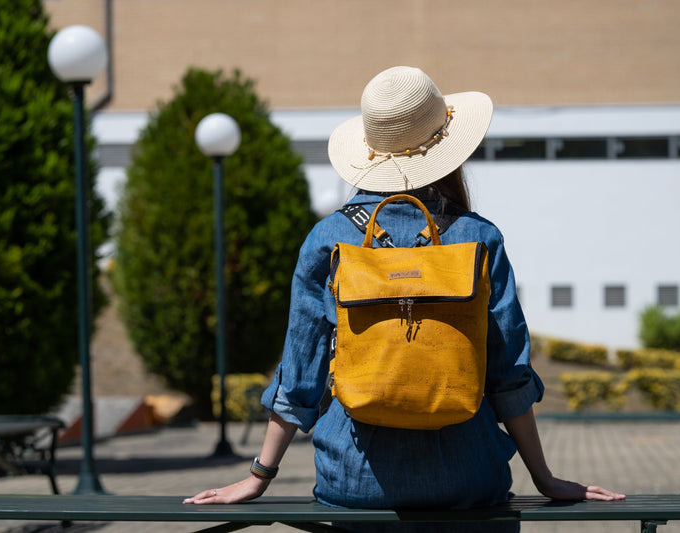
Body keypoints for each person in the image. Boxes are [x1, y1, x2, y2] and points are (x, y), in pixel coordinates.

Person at [184, 66, 624, 530]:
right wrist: (545, 477)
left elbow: (301, 371)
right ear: (448, 148)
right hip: (468, 480)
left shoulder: (329, 238)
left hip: (354, 481)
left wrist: (258, 476)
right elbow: (507, 373)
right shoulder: (478, 237)